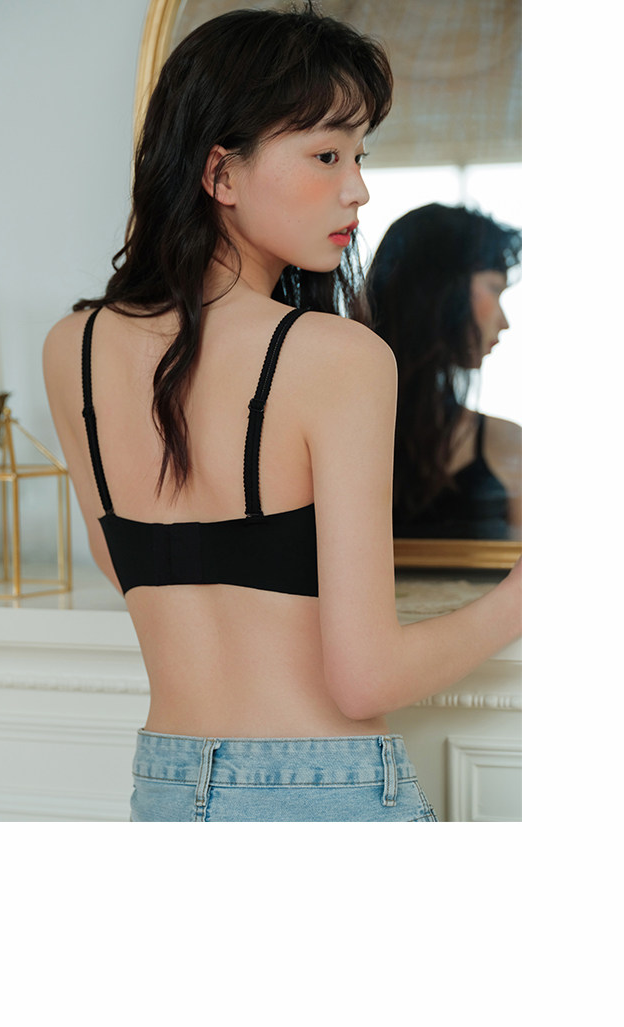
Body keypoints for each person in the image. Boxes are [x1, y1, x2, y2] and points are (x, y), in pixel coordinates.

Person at [42, 5, 521, 822]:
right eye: (327, 154)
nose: (357, 187)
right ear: (221, 174)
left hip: (166, 789)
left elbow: (129, 567)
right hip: (326, 791)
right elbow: (366, 678)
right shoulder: (338, 358)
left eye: (360, 155)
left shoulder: (72, 348)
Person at [365, 203, 522, 540]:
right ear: (443, 289)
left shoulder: (507, 444)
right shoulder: (339, 427)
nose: (504, 322)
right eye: (495, 289)